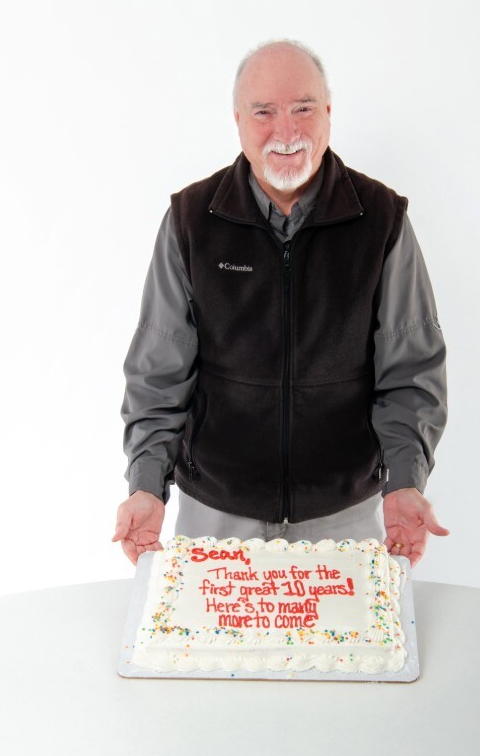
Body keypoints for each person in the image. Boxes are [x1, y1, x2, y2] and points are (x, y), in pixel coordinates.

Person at [113, 40, 449, 568]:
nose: (286, 132)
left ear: (329, 113)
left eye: (304, 109)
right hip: (215, 515)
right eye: (264, 112)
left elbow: (411, 371)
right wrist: (147, 485)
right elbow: (158, 374)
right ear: (238, 120)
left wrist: (405, 480)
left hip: (345, 516)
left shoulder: (381, 220)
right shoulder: (190, 221)